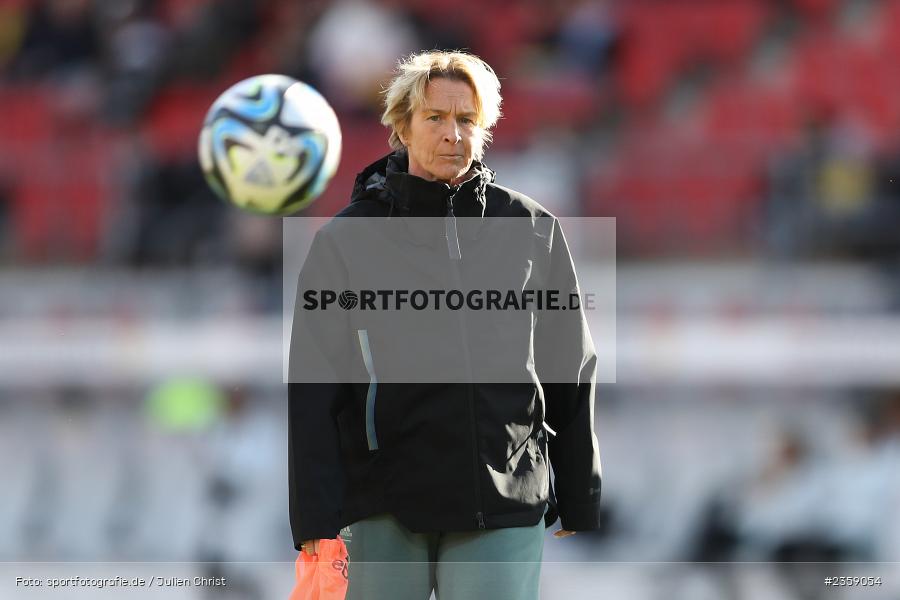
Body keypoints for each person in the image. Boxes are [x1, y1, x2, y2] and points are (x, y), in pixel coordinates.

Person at [288, 50, 602, 600]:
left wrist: (579, 489)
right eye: (435, 118)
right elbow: (314, 386)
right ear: (402, 127)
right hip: (381, 501)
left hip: (503, 496)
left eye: (466, 119)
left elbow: (569, 367)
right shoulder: (344, 240)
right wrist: (314, 514)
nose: (452, 133)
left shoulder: (534, 230)